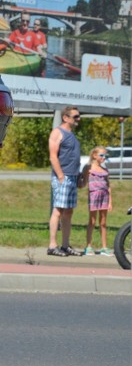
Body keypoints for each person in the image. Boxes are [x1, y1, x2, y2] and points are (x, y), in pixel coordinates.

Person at [47, 106, 82, 257]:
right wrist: (61, 176)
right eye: (76, 116)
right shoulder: (57, 132)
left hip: (72, 177)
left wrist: (78, 176)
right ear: (65, 118)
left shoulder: (72, 135)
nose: (78, 119)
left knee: (68, 212)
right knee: (58, 210)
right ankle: (52, 245)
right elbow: (53, 156)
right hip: (63, 177)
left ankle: (65, 245)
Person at [83, 146, 113, 255]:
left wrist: (110, 202)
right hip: (94, 196)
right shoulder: (88, 168)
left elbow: (108, 186)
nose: (104, 157)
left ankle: (104, 247)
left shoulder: (105, 170)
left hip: (104, 196)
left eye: (105, 156)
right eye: (102, 155)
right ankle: (88, 246)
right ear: (94, 155)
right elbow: (83, 182)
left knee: (103, 222)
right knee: (92, 221)